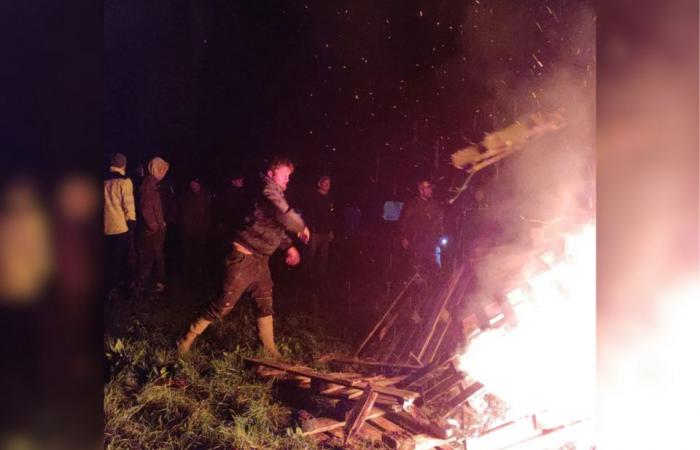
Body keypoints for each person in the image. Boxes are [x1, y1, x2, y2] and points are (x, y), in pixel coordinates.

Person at [177, 156, 310, 356]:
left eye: (289, 177)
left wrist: (289, 246)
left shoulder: (276, 194)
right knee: (224, 304)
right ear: (271, 173)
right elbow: (284, 215)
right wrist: (301, 226)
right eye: (285, 175)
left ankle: (269, 350)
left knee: (264, 302)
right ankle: (185, 340)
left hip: (261, 260)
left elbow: (275, 227)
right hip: (243, 258)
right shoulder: (268, 192)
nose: (287, 180)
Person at [134, 156, 170, 297]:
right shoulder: (148, 184)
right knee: (148, 257)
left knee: (156, 255)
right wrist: (155, 226)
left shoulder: (153, 183)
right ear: (157, 169)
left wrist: (161, 223)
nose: (164, 172)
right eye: (163, 169)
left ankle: (157, 283)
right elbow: (146, 208)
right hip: (152, 231)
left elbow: (155, 207)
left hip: (156, 229)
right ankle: (139, 289)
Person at [103, 153, 136, 299]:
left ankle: (110, 289)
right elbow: (128, 204)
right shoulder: (125, 182)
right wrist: (132, 221)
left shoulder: (104, 181)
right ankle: (124, 290)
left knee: (109, 260)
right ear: (123, 165)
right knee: (124, 260)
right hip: (121, 227)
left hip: (106, 227)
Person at [398, 178, 444, 277]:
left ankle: (436, 286)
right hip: (417, 241)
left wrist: (440, 235)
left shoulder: (434, 204)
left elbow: (439, 221)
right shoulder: (412, 204)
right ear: (420, 189)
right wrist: (404, 237)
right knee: (417, 269)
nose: (430, 190)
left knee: (436, 268)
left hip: (432, 242)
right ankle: (419, 287)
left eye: (430, 188)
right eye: (428, 188)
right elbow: (404, 221)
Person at [303, 175, 334, 290]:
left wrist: (331, 231)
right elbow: (309, 215)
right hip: (314, 232)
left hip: (325, 232)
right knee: (309, 256)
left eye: (329, 183)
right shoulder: (313, 197)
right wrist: (309, 229)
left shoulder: (330, 199)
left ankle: (320, 280)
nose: (327, 185)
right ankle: (305, 279)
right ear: (319, 184)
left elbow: (331, 216)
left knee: (323, 258)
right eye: (325, 183)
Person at [179, 177, 211, 277]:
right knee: (187, 249)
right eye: (191, 184)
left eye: (195, 183)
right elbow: (183, 211)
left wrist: (206, 224)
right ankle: (186, 269)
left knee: (200, 249)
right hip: (189, 228)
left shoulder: (206, 195)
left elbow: (208, 211)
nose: (193, 185)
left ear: (199, 184)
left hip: (201, 228)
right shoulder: (187, 195)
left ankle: (199, 269)